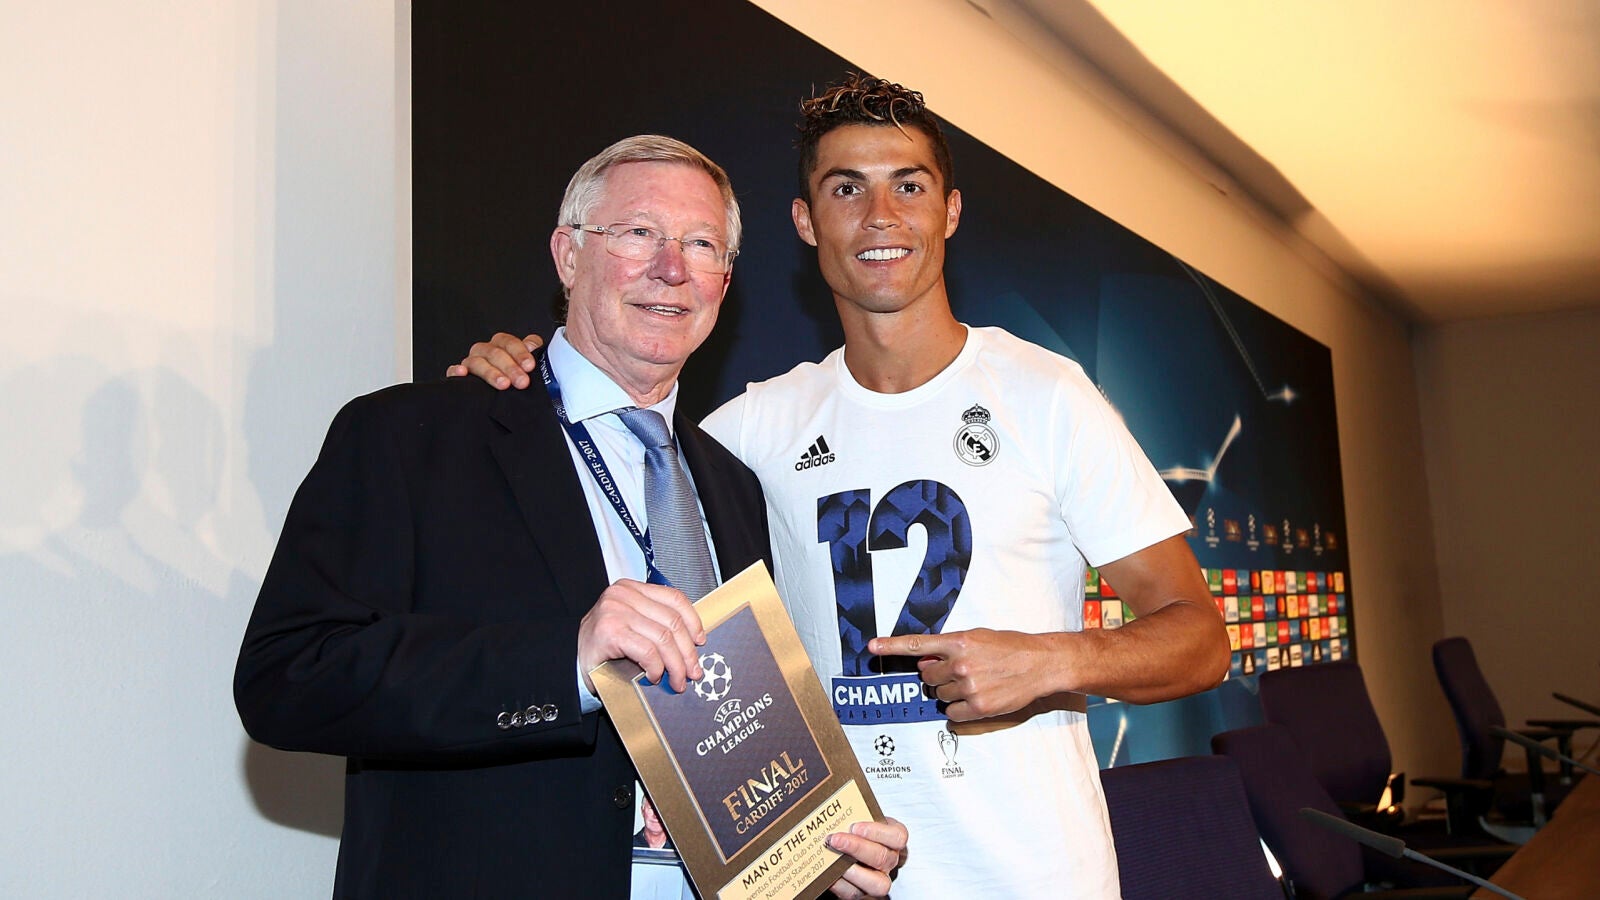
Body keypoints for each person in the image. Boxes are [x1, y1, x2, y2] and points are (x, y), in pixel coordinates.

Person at [454, 76, 1230, 897]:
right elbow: (604, 441)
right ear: (805, 221)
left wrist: (1049, 661)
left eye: (909, 186)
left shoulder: (1047, 396)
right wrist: (515, 375)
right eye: (846, 189)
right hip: (830, 879)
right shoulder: (752, 429)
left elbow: (1199, 639)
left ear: (950, 211)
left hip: (1032, 877)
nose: (881, 216)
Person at [236, 134, 905, 899]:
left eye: (701, 244)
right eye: (639, 233)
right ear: (567, 255)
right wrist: (566, 662)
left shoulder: (734, 487)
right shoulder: (411, 438)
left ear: (724, 280)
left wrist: (817, 859)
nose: (672, 268)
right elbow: (288, 678)